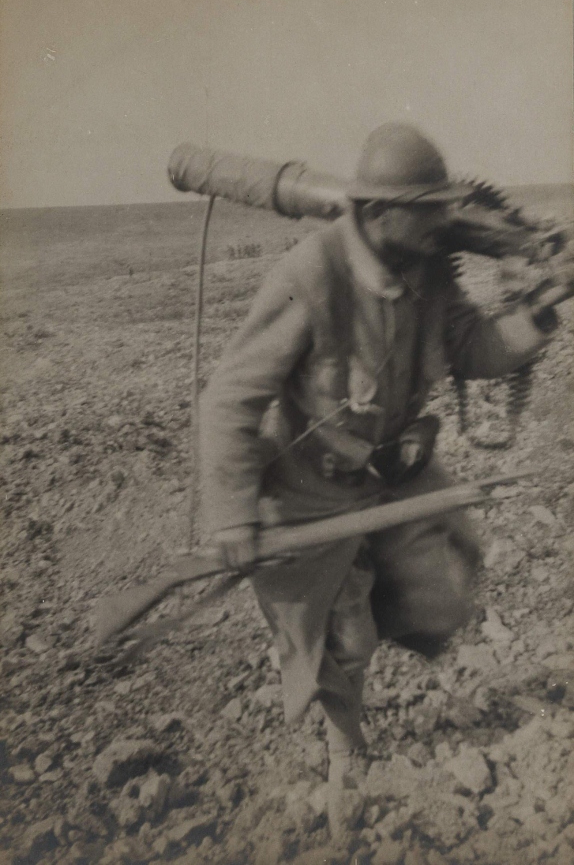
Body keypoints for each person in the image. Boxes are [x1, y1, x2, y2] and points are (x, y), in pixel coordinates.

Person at [199, 122, 556, 838]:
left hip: (399, 474)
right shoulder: (312, 274)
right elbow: (229, 398)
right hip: (312, 487)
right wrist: (233, 518)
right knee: (343, 639)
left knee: (446, 587)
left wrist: (542, 309)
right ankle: (344, 752)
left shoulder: (428, 270)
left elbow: (475, 349)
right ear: (379, 213)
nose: (443, 224)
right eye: (429, 210)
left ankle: (373, 614)